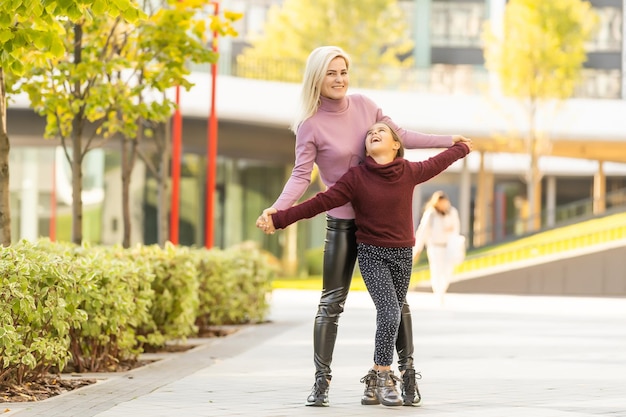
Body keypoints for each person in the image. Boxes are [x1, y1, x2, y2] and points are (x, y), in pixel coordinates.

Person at [255, 45, 472, 407]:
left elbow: (403, 135)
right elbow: (301, 176)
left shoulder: (366, 107)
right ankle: (321, 382)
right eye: (331, 73)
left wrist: (447, 140)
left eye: (343, 72)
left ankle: (406, 375)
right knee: (331, 303)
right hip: (344, 224)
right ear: (317, 78)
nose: (339, 79)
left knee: (397, 305)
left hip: (385, 228)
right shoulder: (310, 125)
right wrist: (277, 212)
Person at [413, 191, 463, 305]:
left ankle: (442, 290)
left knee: (447, 270)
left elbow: (456, 228)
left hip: (448, 246)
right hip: (435, 246)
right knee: (436, 270)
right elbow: (423, 231)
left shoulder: (452, 212)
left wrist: (451, 231)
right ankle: (438, 294)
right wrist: (418, 248)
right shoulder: (431, 214)